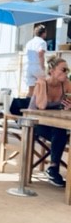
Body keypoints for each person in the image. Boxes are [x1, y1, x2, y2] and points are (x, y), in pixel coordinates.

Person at [29, 55, 71, 187]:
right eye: (63, 69)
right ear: (52, 71)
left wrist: (69, 107)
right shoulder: (42, 84)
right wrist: (42, 84)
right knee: (60, 132)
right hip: (34, 122)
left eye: (67, 70)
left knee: (59, 130)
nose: (66, 72)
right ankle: (53, 169)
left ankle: (53, 169)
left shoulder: (66, 84)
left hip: (54, 124)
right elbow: (41, 106)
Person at [25, 24, 47, 97]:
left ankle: (27, 103)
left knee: (30, 91)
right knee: (42, 87)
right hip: (37, 66)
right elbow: (40, 54)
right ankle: (40, 102)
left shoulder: (29, 42)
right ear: (43, 33)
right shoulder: (42, 42)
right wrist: (42, 66)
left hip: (29, 67)